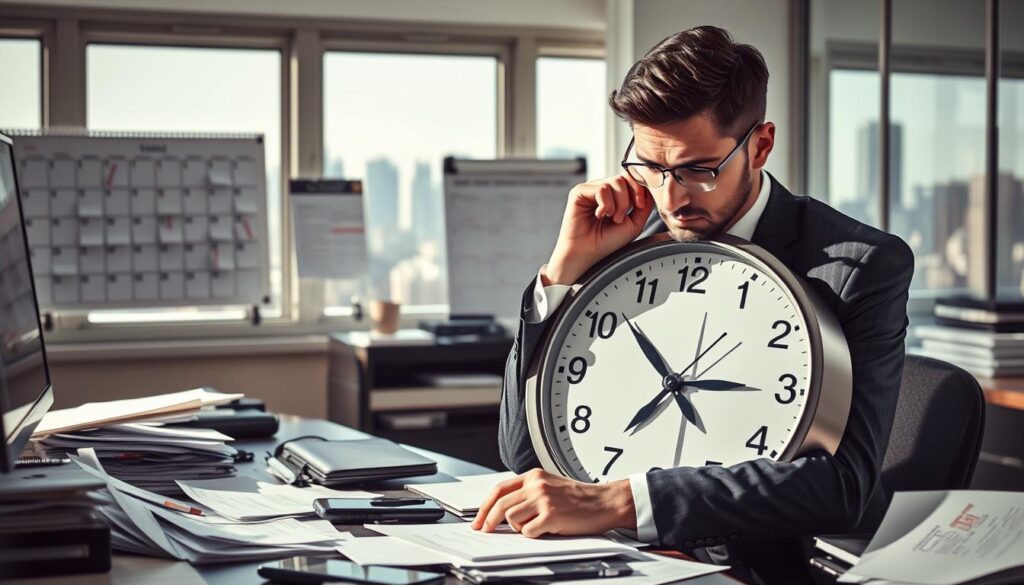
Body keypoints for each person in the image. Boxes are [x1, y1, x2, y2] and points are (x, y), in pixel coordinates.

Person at [472, 25, 914, 582]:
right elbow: (524, 453)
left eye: (698, 170)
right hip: (607, 559)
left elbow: (841, 487)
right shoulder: (629, 244)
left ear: (760, 144)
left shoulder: (859, 264)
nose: (672, 198)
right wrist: (563, 273)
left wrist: (621, 501)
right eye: (653, 168)